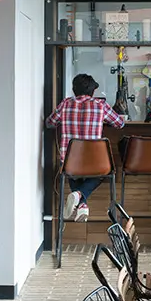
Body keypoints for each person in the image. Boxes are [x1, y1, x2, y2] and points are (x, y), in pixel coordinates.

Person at [45, 73, 124, 222]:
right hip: (95, 164)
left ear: (74, 89)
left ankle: (80, 201)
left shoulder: (65, 104)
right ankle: (80, 198)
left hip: (70, 164)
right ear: (92, 91)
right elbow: (120, 123)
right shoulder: (100, 105)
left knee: (70, 170)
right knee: (103, 172)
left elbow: (50, 123)